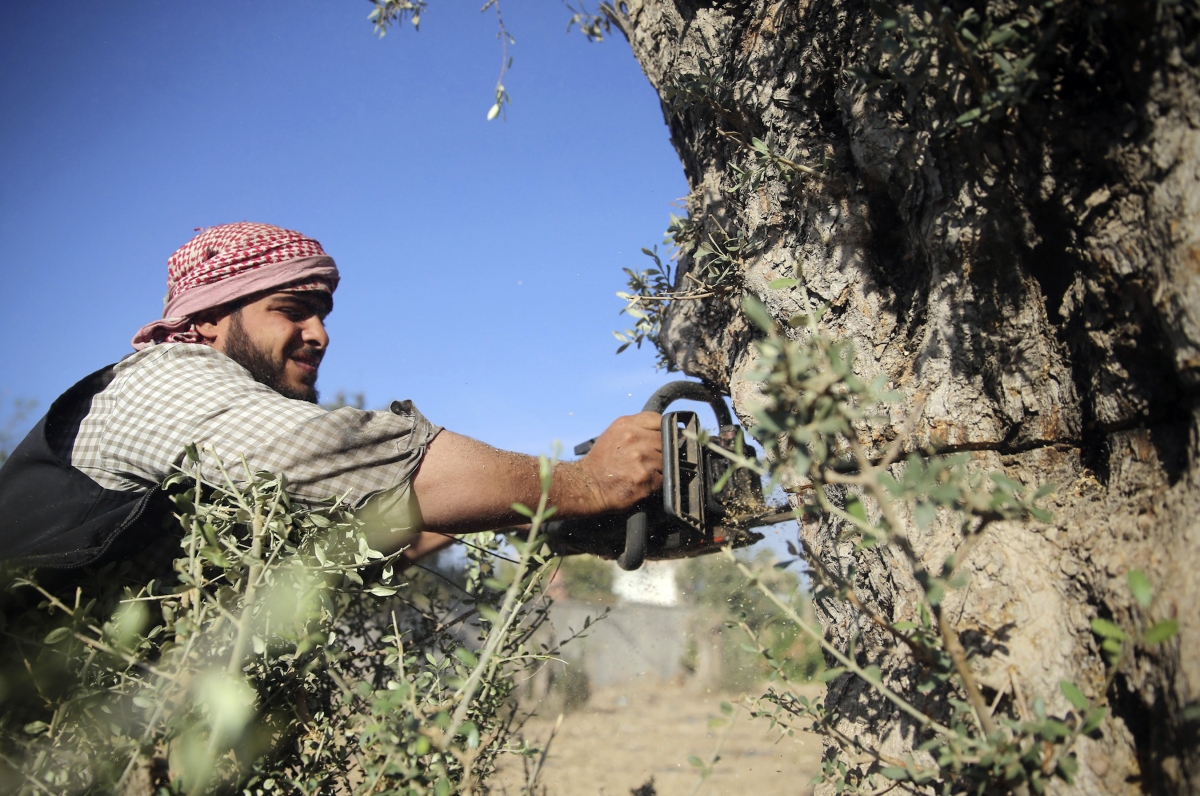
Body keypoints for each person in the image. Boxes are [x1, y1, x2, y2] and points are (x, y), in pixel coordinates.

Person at [0, 222, 663, 568]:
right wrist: (588, 483)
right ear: (205, 320)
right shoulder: (166, 384)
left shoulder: (229, 452)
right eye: (293, 309)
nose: (318, 335)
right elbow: (387, 470)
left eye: (324, 314)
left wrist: (547, 522)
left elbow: (343, 552)